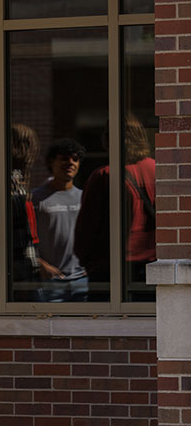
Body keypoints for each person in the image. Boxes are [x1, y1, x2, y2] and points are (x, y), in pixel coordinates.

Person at [74, 115, 156, 302]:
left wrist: (86, 260)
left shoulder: (104, 176)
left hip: (110, 269)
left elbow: (87, 228)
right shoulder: (157, 169)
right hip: (154, 266)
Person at [0, 123, 41, 301]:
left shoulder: (6, 175)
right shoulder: (5, 178)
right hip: (14, 270)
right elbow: (11, 226)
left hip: (13, 267)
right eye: (28, 145)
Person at [31, 138, 88, 302]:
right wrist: (41, 266)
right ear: (51, 162)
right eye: (64, 158)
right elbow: (25, 239)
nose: (70, 163)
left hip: (81, 280)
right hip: (51, 280)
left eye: (75, 159)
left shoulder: (83, 197)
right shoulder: (36, 198)